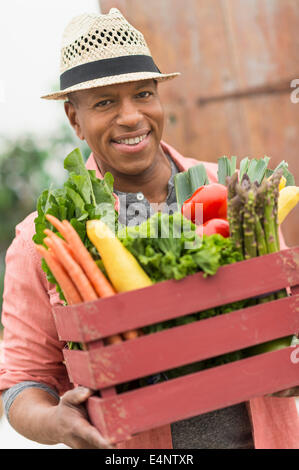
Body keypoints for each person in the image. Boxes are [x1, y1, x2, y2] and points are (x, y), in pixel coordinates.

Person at [0, 8, 298, 450]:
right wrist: (57, 423)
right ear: (74, 119)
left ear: (159, 98)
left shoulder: (236, 194)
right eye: (104, 102)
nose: (131, 117)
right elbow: (21, 382)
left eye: (143, 93)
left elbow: (284, 309)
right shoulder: (44, 239)